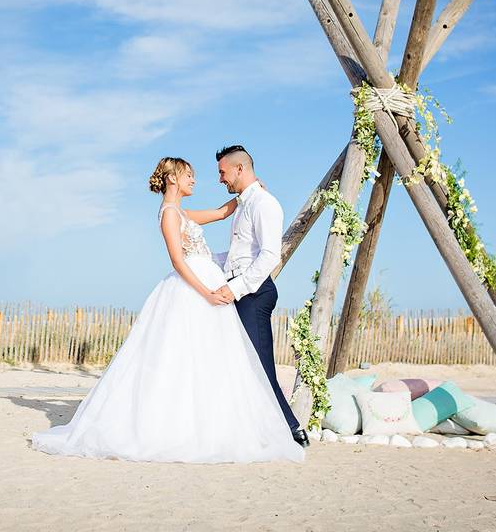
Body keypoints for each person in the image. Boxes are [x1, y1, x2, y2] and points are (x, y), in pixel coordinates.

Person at [31, 157, 304, 464]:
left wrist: (250, 191)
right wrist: (205, 292)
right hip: (194, 290)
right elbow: (178, 261)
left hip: (211, 282)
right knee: (181, 356)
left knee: (212, 357)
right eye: (189, 175)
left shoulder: (182, 213)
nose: (195, 180)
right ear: (173, 179)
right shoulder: (169, 215)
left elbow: (221, 212)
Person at [211, 145, 310, 448]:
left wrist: (235, 288)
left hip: (254, 296)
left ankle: (293, 429)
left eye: (222, 172)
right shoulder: (244, 205)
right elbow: (238, 256)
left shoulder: (264, 204)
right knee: (240, 364)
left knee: (260, 367)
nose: (220, 179)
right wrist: (201, 257)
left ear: (239, 169)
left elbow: (269, 256)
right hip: (242, 293)